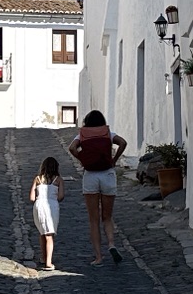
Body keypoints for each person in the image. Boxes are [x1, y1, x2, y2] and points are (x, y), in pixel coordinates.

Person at [67, 109, 127, 265]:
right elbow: (123, 143)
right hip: (107, 175)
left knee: (93, 219)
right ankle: (112, 244)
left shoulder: (82, 135)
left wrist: (82, 159)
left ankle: (98, 257)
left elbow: (72, 148)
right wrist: (114, 159)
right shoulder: (108, 134)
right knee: (107, 216)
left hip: (91, 176)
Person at [28, 155, 64, 271]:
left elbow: (32, 198)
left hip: (39, 206)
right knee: (50, 234)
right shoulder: (58, 180)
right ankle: (48, 262)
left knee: (42, 232)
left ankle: (43, 257)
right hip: (51, 205)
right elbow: (60, 197)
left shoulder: (37, 179)